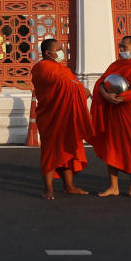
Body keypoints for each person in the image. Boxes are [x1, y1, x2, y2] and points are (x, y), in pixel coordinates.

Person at [90, 36, 131, 198]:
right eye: (120, 47)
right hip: (114, 111)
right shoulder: (115, 65)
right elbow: (101, 84)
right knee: (113, 146)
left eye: (125, 47)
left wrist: (122, 98)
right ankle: (114, 186)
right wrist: (106, 96)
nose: (122, 50)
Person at [30, 38, 93, 200]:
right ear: (47, 53)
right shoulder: (42, 68)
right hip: (51, 116)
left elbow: (71, 83)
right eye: (58, 49)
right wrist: (81, 90)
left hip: (66, 116)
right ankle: (48, 189)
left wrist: (79, 89)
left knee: (68, 148)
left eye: (61, 48)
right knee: (50, 151)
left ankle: (69, 186)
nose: (61, 52)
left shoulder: (62, 69)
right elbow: (65, 85)